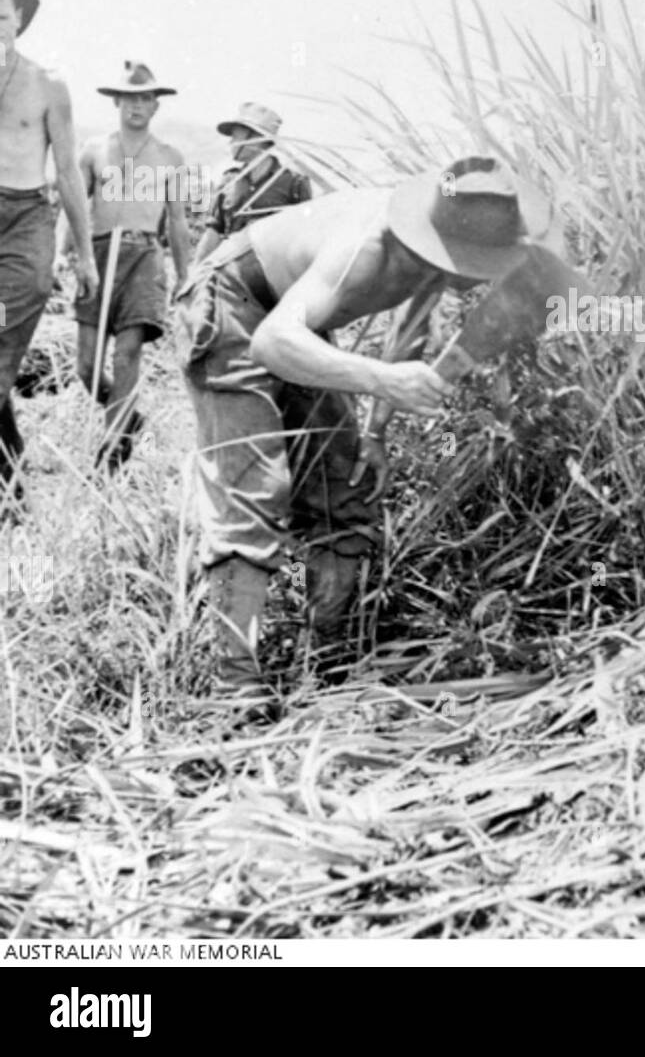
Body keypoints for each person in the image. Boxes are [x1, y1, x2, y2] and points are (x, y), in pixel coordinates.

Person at [175, 155, 562, 709]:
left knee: (343, 486)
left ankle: (327, 662)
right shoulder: (366, 246)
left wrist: (375, 432)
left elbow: (411, 326)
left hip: (299, 323)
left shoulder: (431, 255)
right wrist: (381, 379)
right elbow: (273, 343)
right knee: (255, 490)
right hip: (234, 307)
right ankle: (232, 688)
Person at [0, 0, 98, 507]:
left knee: (5, 339)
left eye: (1, 17)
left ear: (19, 21)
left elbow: (67, 172)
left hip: (25, 219)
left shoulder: (47, 84)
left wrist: (84, 255)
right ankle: (13, 494)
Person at [75, 61, 191, 468]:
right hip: (100, 254)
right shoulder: (93, 150)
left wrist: (186, 277)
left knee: (127, 354)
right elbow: (71, 208)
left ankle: (113, 447)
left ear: (156, 106)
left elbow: (178, 223)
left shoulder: (170, 157)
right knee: (86, 366)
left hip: (144, 257)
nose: (137, 106)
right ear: (117, 102)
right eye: (129, 98)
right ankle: (128, 418)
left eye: (145, 98)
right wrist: (66, 256)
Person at [192, 102, 311, 264]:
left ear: (256, 138)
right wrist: (194, 274)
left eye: (235, 137)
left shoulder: (294, 183)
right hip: (232, 273)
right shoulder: (228, 181)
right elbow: (212, 234)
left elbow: (304, 239)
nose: (230, 143)